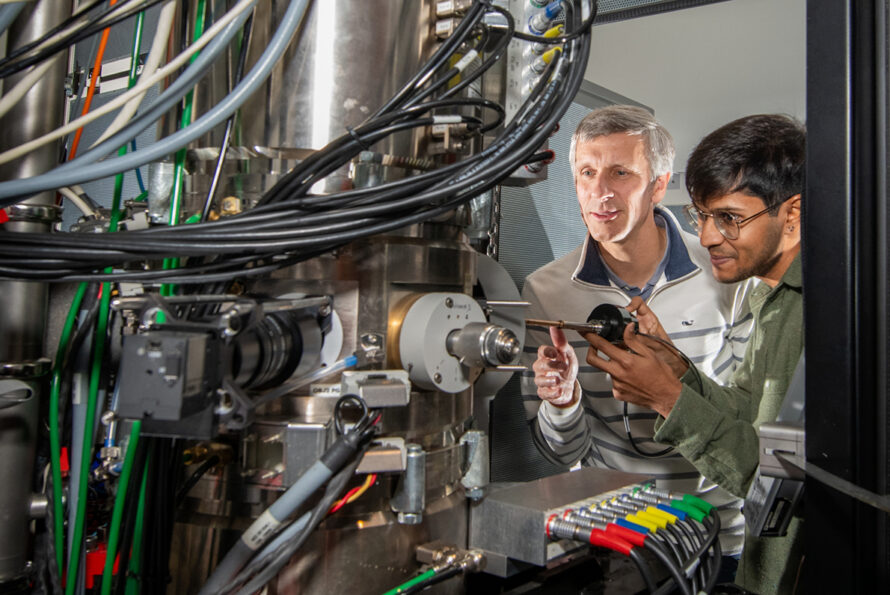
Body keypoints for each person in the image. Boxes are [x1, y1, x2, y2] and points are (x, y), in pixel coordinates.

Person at [521, 105, 755, 567]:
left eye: (621, 173)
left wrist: (671, 383)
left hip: (714, 539)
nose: (600, 192)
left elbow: (748, 428)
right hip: (608, 546)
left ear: (659, 185)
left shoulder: (728, 275)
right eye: (587, 172)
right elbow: (560, 451)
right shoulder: (545, 292)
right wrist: (563, 403)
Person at [583, 114, 805, 594]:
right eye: (700, 216)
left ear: (793, 214)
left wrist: (666, 399)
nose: (706, 237)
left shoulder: (821, 311)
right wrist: (677, 370)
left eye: (728, 217)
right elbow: (749, 415)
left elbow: (781, 477)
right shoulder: (770, 296)